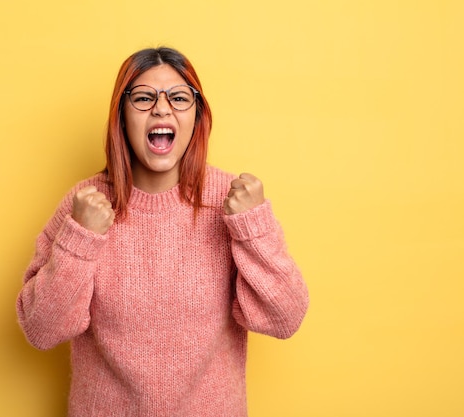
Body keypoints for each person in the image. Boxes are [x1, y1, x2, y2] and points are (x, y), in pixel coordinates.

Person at [16, 47, 309, 417]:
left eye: (179, 98)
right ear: (120, 117)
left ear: (196, 116)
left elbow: (285, 319)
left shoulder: (230, 203)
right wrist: (81, 240)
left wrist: (253, 229)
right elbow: (42, 330)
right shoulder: (85, 206)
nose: (161, 108)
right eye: (143, 98)